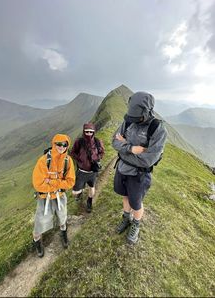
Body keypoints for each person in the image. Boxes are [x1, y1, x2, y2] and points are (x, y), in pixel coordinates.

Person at [112, 91, 167, 244]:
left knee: (136, 202)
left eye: (138, 118)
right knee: (125, 195)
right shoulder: (128, 121)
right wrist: (132, 149)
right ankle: (126, 218)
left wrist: (124, 147)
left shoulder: (157, 129)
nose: (134, 121)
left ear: (148, 111)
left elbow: (148, 160)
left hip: (139, 175)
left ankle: (136, 224)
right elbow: (114, 142)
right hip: (122, 169)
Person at [32, 133, 75, 257]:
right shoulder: (43, 161)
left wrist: (50, 181)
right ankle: (37, 243)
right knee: (39, 225)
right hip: (44, 198)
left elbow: (70, 183)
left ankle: (64, 236)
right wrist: (60, 183)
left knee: (62, 219)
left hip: (60, 196)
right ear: (53, 144)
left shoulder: (68, 161)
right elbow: (38, 184)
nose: (61, 147)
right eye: (59, 144)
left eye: (65, 144)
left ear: (67, 145)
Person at [71, 123, 104, 213]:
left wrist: (97, 158)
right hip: (81, 171)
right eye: (87, 132)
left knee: (92, 188)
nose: (89, 133)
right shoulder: (79, 142)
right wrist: (80, 159)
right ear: (84, 131)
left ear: (93, 132)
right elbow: (73, 152)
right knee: (75, 192)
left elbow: (102, 153)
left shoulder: (97, 141)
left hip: (92, 172)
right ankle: (80, 192)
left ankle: (89, 202)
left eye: (91, 132)